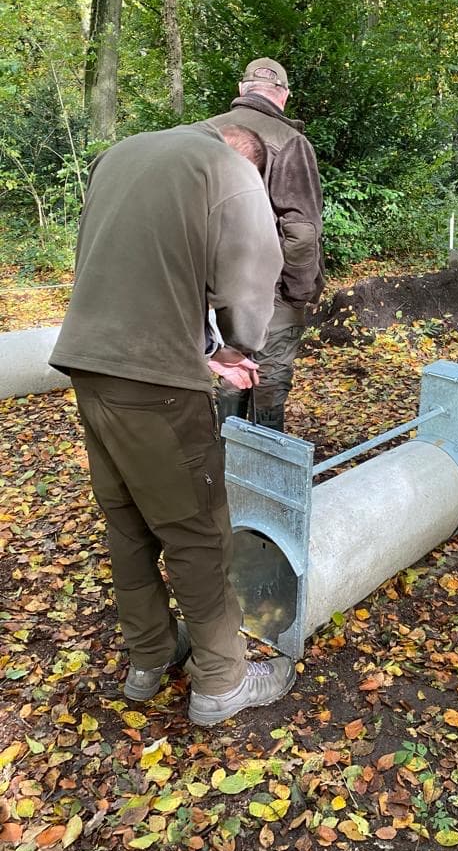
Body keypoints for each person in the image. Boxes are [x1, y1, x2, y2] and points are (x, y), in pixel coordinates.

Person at [50, 122, 296, 726]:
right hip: (157, 385)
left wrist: (202, 348)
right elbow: (249, 275)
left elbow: (135, 271)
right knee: (197, 529)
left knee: (128, 521)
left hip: (89, 366)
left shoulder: (123, 155)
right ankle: (222, 679)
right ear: (251, 161)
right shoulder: (230, 171)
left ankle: (150, 655)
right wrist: (239, 347)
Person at [208, 57, 325, 431]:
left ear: (242, 91)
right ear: (284, 96)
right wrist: (298, 291)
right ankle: (266, 473)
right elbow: (302, 231)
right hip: (268, 287)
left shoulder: (201, 133)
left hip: (207, 285)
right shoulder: (290, 141)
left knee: (228, 366)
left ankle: (223, 458)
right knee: (269, 376)